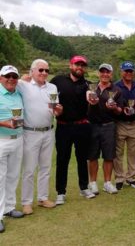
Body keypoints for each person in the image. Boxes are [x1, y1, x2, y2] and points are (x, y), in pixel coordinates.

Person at [17, 59, 63, 215]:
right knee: (29, 169)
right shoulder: (23, 86)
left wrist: (58, 110)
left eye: (46, 70)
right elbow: (5, 80)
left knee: (45, 167)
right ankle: (26, 202)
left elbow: (55, 110)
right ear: (32, 71)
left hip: (49, 131)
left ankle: (43, 198)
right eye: (40, 70)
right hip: (30, 132)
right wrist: (23, 77)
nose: (44, 73)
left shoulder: (52, 87)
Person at [51, 55, 95, 205]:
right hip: (63, 126)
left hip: (82, 126)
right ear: (70, 65)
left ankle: (84, 187)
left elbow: (90, 93)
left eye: (82, 66)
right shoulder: (58, 81)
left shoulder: (87, 84)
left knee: (82, 158)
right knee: (62, 159)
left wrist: (91, 97)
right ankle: (61, 192)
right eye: (77, 65)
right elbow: (45, 91)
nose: (80, 68)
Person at [87, 63, 123, 194]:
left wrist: (114, 108)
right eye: (102, 72)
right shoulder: (91, 88)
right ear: (99, 73)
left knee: (108, 156)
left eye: (107, 72)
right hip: (92, 125)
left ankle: (107, 183)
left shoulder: (117, 90)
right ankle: (93, 183)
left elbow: (120, 110)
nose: (105, 74)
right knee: (92, 156)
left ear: (111, 74)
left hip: (109, 125)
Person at [0, 65, 24, 232]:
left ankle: (9, 207)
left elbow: (29, 78)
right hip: (2, 139)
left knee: (13, 175)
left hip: (18, 139)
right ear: (0, 77)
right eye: (7, 76)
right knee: (0, 179)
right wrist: (4, 123)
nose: (11, 79)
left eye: (14, 76)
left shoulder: (18, 93)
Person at [114, 61, 135, 190]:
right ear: (121, 71)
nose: (128, 73)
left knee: (134, 153)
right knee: (118, 153)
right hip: (120, 123)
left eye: (131, 71)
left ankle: (131, 178)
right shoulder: (115, 86)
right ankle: (119, 178)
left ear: (134, 72)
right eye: (126, 71)